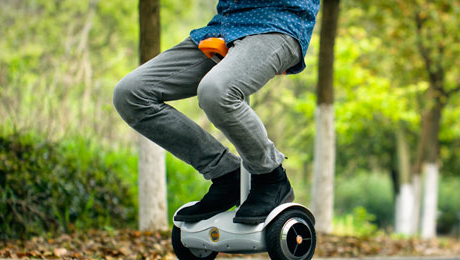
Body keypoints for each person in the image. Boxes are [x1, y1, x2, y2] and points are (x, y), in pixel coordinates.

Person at [113, 1, 320, 224]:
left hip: (278, 24)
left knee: (216, 91)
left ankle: (271, 177)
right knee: (130, 93)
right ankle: (227, 174)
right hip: (225, 25)